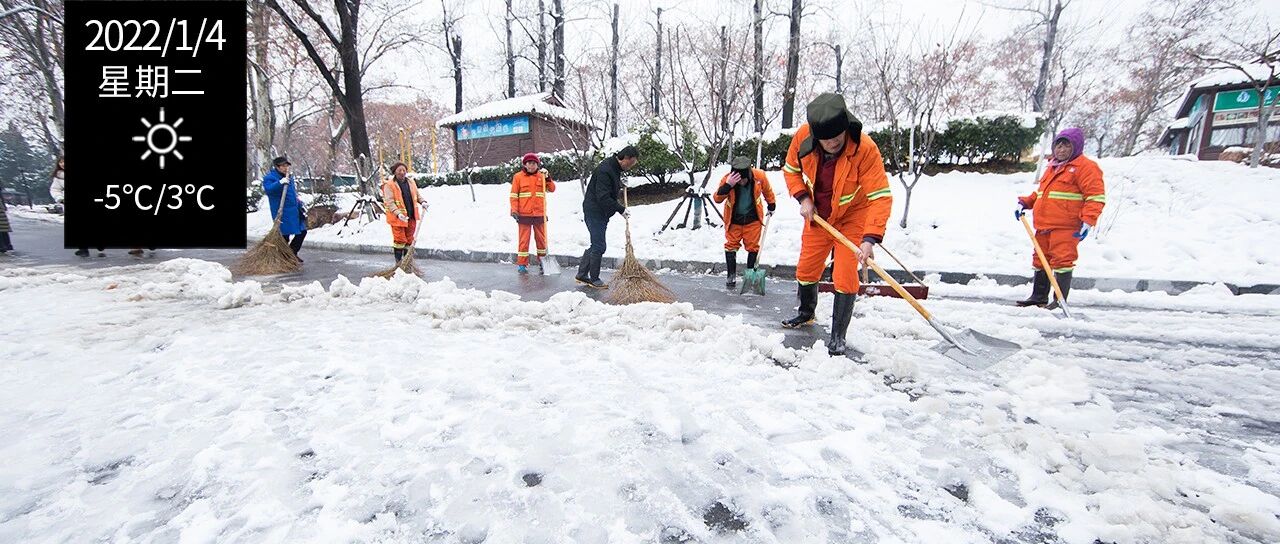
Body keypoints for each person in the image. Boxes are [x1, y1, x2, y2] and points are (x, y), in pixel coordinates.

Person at [780, 93, 893, 357]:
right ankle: (805, 313)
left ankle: (838, 335)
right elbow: (790, 170)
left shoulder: (864, 149)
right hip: (818, 215)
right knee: (806, 268)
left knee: (845, 274)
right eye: (826, 139)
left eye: (838, 137)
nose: (833, 142)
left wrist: (870, 238)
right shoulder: (803, 138)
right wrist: (803, 197)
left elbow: (879, 196)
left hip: (853, 217)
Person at [1015, 127, 1105, 309]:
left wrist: (1089, 220)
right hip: (1043, 225)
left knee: (1063, 261)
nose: (1061, 150)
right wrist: (1025, 202)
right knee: (1040, 260)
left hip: (1066, 226)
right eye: (1058, 146)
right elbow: (1042, 194)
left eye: (1066, 146)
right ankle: (1038, 296)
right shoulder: (1052, 167)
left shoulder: (1086, 167)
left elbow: (1096, 197)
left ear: (1076, 147)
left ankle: (1059, 300)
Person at [575, 145, 639, 288]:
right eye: (631, 163)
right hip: (594, 211)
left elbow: (608, 188)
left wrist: (619, 184)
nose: (631, 166)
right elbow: (603, 197)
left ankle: (581, 275)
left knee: (596, 244)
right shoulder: (606, 169)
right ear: (625, 158)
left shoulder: (614, 167)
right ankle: (594, 279)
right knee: (599, 245)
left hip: (600, 212)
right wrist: (620, 209)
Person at [712, 156, 776, 288]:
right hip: (734, 220)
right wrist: (728, 185)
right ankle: (731, 277)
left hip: (753, 220)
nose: (741, 183)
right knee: (731, 246)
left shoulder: (759, 176)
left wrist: (771, 204)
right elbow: (717, 198)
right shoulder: (728, 179)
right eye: (738, 181)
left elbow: (768, 191)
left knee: (753, 247)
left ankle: (750, 279)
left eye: (743, 180)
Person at [509, 152, 556, 274]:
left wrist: (548, 178)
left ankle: (543, 261)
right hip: (524, 215)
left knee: (541, 240)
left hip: (539, 214)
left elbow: (552, 189)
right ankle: (522, 264)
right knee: (524, 240)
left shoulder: (542, 176)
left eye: (534, 163)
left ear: (537, 165)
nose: (532, 166)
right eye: (529, 163)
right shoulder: (518, 177)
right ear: (525, 164)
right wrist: (514, 211)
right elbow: (514, 196)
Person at [380, 161, 428, 264]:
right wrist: (398, 213)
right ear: (395, 172)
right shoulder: (389, 185)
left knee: (409, 240)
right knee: (400, 240)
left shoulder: (411, 182)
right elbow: (390, 202)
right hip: (397, 219)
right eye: (399, 170)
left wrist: (423, 202)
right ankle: (398, 263)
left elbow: (417, 195)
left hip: (411, 216)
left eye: (404, 170)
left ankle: (406, 263)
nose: (402, 172)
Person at [262, 156, 307, 261]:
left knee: (302, 231)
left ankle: (292, 253)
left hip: (294, 210)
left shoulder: (288, 177)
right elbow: (269, 190)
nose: (285, 167)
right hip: (283, 211)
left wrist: (299, 203)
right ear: (277, 167)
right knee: (284, 236)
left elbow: (291, 193)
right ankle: (283, 257)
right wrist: (280, 183)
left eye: (286, 165)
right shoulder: (271, 177)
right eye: (283, 166)